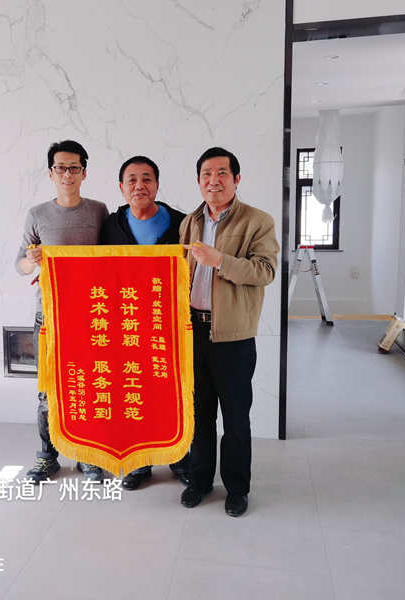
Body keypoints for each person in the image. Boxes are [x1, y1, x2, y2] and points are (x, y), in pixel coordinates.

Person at [179, 147, 279, 517]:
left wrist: (220, 260)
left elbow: (265, 271)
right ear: (198, 181)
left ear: (236, 179)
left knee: (235, 418)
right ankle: (200, 481)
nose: (214, 180)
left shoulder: (257, 221)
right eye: (206, 174)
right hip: (193, 332)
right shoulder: (190, 222)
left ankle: (237, 488)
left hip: (234, 337)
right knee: (199, 414)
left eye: (222, 173)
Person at [15, 140, 109, 483]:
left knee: (89, 384)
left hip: (90, 316)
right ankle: (47, 456)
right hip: (49, 316)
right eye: (60, 168)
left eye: (74, 168)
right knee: (48, 391)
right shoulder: (37, 214)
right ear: (50, 173)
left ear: (84, 172)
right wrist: (32, 260)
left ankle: (87, 455)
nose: (67, 174)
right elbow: (20, 264)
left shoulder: (99, 211)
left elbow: (113, 257)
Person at [99, 155, 190, 490]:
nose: (140, 186)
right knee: (133, 392)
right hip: (125, 325)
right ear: (121, 187)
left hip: (168, 323)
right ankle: (139, 463)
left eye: (147, 179)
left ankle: (180, 458)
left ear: (157, 184)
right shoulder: (110, 226)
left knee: (173, 393)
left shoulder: (181, 222)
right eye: (132, 179)